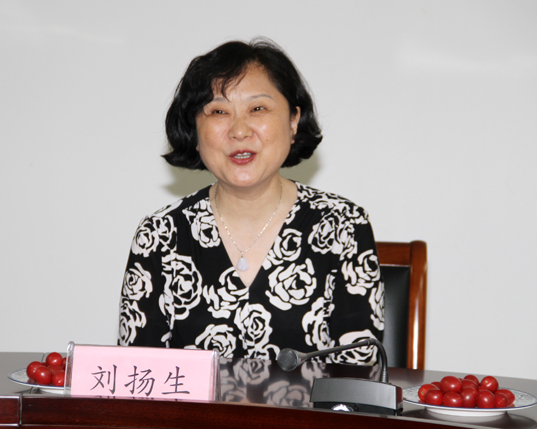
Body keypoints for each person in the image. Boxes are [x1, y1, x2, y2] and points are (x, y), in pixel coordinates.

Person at [118, 39, 384, 365]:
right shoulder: (160, 234)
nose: (240, 131)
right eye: (218, 111)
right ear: (194, 131)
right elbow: (137, 377)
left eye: (258, 109)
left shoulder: (343, 226)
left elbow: (358, 375)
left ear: (293, 120)